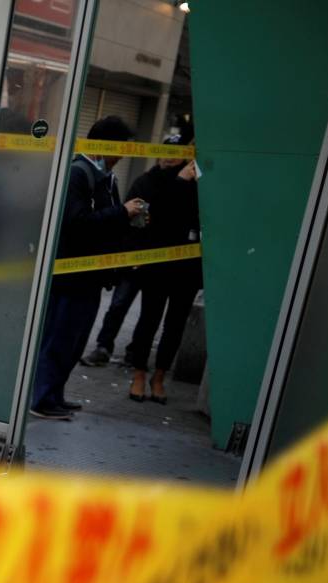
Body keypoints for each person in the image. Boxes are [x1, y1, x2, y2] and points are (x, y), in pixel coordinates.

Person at [29, 116, 149, 421]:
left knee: (75, 341)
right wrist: (121, 212)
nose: (125, 154)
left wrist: (128, 223)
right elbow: (76, 223)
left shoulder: (108, 178)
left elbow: (107, 223)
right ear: (104, 144)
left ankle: (55, 394)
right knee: (60, 338)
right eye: (122, 147)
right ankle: (41, 398)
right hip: (71, 276)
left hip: (91, 276)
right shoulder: (78, 174)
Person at [121, 130, 201, 404]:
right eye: (167, 151)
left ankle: (160, 376)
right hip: (155, 265)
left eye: (177, 153)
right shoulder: (148, 181)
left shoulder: (196, 183)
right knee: (148, 319)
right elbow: (148, 219)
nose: (170, 158)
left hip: (186, 267)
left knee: (175, 324)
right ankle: (140, 373)